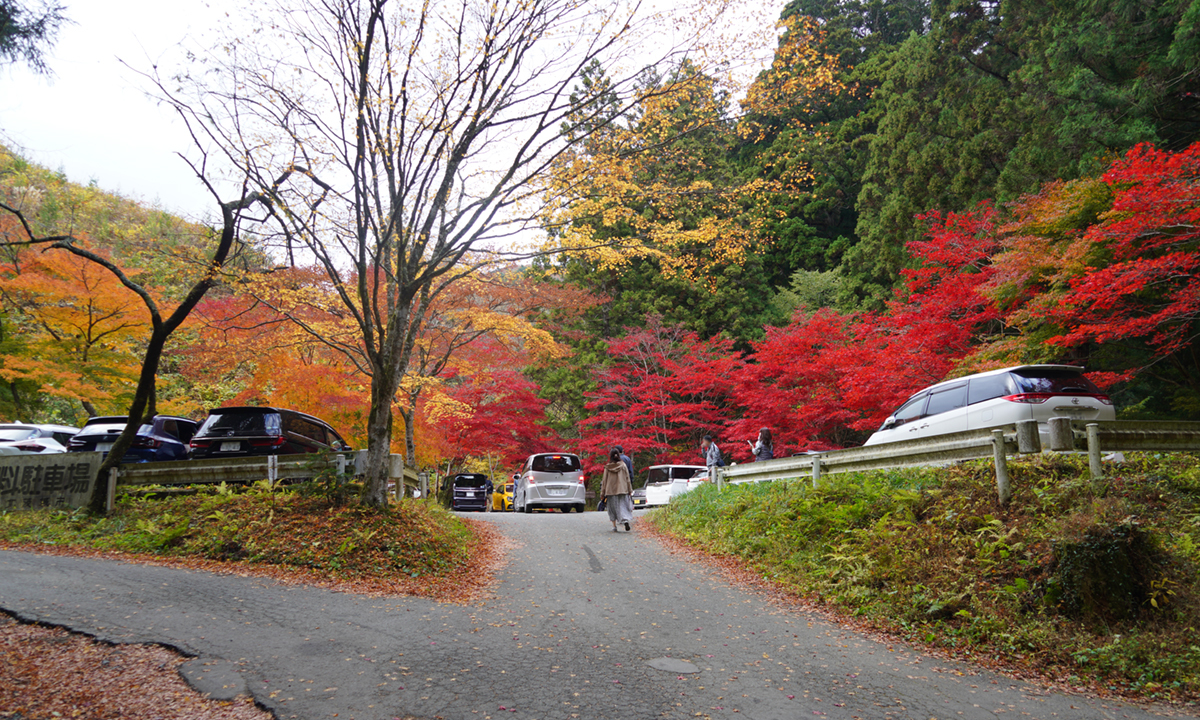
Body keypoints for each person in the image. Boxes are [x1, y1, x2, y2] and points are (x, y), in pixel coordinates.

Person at [599, 447, 634, 532]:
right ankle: (625, 520)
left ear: (610, 456)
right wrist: (630, 490)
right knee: (623, 507)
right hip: (622, 490)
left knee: (612, 508)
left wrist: (602, 493)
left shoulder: (607, 467)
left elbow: (605, 481)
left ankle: (614, 526)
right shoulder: (623, 465)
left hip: (611, 491)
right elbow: (627, 478)